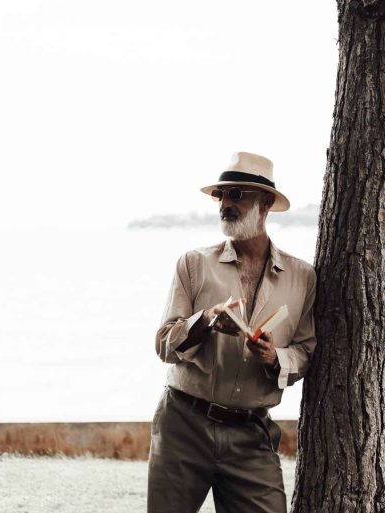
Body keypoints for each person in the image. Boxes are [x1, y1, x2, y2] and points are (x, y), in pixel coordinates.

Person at [147, 151, 318, 513]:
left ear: (266, 202)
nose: (225, 203)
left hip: (251, 434)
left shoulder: (302, 277)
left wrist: (275, 358)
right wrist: (206, 320)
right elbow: (164, 343)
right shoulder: (193, 264)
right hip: (183, 425)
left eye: (236, 194)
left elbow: (304, 351)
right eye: (221, 195)